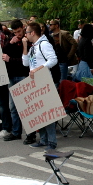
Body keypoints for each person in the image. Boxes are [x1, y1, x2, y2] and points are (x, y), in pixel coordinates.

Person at [22, 22, 58, 150]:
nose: (25, 34)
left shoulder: (44, 44)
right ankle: (43, 139)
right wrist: (25, 46)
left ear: (32, 33)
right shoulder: (33, 47)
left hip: (44, 80)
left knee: (47, 113)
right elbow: (25, 63)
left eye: (26, 32)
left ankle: (52, 141)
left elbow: (53, 59)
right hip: (35, 81)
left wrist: (40, 69)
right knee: (39, 113)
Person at [2, 19, 30, 141]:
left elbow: (27, 62)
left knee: (26, 106)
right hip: (12, 75)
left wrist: (10, 60)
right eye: (15, 32)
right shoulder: (11, 40)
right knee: (13, 106)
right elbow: (3, 54)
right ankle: (16, 131)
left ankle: (30, 133)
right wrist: (10, 43)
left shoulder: (27, 40)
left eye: (19, 31)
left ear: (23, 28)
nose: (17, 34)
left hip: (23, 74)